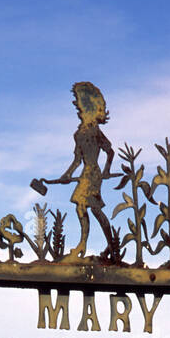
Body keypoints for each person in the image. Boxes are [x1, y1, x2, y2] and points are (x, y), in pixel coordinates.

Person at [49, 82, 115, 259]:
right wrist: (66, 175)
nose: (79, 111)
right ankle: (91, 244)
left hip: (93, 174)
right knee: (85, 208)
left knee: (90, 209)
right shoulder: (78, 134)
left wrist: (107, 171)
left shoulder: (95, 131)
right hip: (85, 172)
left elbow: (110, 151)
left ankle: (102, 245)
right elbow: (77, 160)